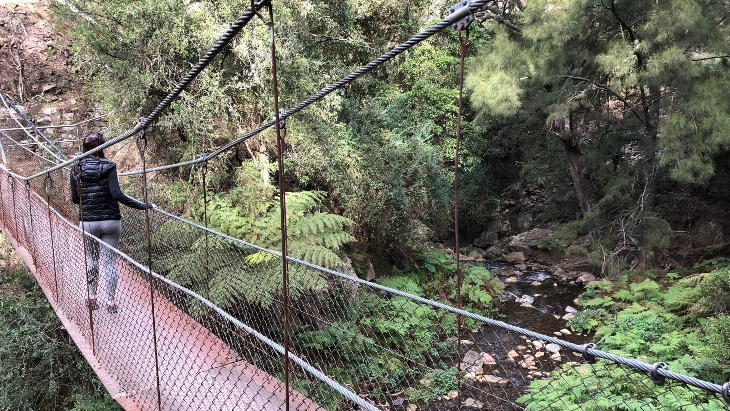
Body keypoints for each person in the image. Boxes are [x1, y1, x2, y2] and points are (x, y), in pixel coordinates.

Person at [70, 132, 154, 313]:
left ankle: (92, 298)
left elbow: (76, 199)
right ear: (103, 147)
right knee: (109, 262)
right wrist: (143, 206)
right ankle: (111, 302)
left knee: (92, 260)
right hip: (111, 222)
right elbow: (117, 195)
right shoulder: (109, 166)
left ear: (84, 148)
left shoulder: (76, 167)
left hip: (88, 223)